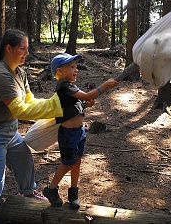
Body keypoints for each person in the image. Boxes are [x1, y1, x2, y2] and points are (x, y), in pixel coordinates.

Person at [0, 29, 63, 224]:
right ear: (8, 49)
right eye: (23, 49)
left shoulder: (19, 72)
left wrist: (60, 105)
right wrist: (58, 106)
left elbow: (30, 101)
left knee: (24, 159)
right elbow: (21, 110)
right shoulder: (0, 75)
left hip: (8, 130)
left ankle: (28, 194)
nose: (27, 53)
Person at [42, 53, 118, 208]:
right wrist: (105, 85)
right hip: (68, 134)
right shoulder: (64, 86)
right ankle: (51, 189)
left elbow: (74, 106)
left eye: (76, 67)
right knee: (67, 164)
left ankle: (73, 194)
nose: (75, 70)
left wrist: (85, 106)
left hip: (79, 132)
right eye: (71, 67)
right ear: (59, 71)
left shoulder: (70, 86)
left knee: (76, 163)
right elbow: (87, 95)